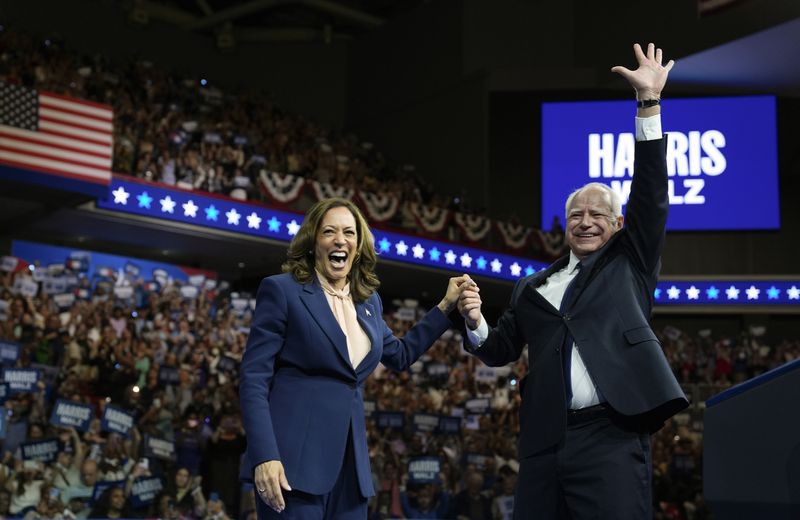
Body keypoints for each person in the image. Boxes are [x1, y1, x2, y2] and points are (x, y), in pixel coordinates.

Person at [456, 43, 689, 519]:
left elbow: (650, 192)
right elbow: (498, 349)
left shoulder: (630, 264)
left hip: (611, 435)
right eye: (576, 214)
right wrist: (476, 320)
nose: (585, 221)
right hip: (544, 443)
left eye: (598, 214)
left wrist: (649, 105)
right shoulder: (531, 287)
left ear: (619, 225)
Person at [239, 197, 468, 519]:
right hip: (292, 465)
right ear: (312, 242)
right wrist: (264, 456)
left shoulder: (368, 302)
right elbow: (253, 379)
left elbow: (400, 355)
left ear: (359, 246)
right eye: (328, 231)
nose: (339, 240)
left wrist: (445, 308)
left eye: (349, 232)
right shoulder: (283, 291)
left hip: (350, 470)